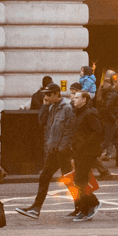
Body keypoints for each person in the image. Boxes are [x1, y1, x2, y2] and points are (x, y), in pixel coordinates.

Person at [17, 84, 76, 218]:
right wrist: (44, 105)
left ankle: (82, 205)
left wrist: (62, 148)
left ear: (57, 93)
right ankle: (36, 208)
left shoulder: (67, 108)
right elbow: (41, 121)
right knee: (46, 177)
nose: (46, 97)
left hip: (62, 150)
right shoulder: (51, 107)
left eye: (49, 95)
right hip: (53, 149)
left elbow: (69, 131)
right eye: (46, 95)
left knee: (68, 179)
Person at [68, 90, 105, 221]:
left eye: (77, 97)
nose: (74, 99)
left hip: (88, 152)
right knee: (79, 180)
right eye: (74, 97)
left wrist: (83, 144)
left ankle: (93, 203)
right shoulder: (77, 114)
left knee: (79, 180)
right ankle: (84, 209)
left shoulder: (89, 113)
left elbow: (98, 132)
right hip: (79, 152)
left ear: (84, 100)